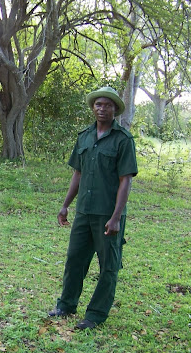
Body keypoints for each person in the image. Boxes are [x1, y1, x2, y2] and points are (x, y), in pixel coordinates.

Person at [48, 86, 138, 330]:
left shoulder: (123, 140)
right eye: (98, 104)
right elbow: (78, 173)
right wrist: (66, 205)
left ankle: (96, 314)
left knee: (108, 265)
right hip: (84, 211)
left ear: (115, 109)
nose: (102, 108)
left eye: (107, 105)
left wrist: (116, 217)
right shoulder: (85, 137)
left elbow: (125, 180)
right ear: (93, 108)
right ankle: (66, 304)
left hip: (108, 214)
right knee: (75, 259)